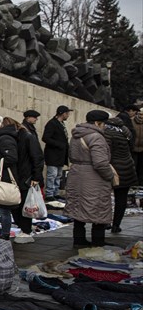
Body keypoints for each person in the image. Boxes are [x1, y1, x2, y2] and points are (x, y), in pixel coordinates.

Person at [66, 110, 116, 247]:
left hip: (76, 174)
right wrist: (110, 176)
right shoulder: (96, 137)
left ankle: (79, 241)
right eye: (104, 124)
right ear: (98, 123)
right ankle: (98, 241)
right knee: (99, 209)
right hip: (93, 178)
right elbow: (100, 163)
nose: (105, 127)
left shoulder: (76, 134)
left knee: (78, 210)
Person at [9, 117, 43, 243]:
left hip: (25, 176)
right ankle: (24, 228)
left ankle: (26, 230)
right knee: (18, 204)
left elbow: (37, 157)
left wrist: (36, 177)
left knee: (25, 204)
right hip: (20, 176)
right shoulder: (17, 137)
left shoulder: (27, 137)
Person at [103, 116, 137, 234]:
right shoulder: (125, 131)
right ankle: (116, 225)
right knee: (121, 198)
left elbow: (106, 152)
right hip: (127, 167)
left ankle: (105, 222)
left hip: (113, 169)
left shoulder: (107, 132)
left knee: (105, 196)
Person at [42, 105, 72, 200]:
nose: (68, 115)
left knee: (58, 175)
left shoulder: (61, 124)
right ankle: (49, 194)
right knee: (52, 175)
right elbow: (45, 138)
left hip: (60, 155)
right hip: (53, 154)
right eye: (67, 113)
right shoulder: (52, 123)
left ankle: (55, 192)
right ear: (63, 113)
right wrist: (59, 144)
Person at [132, 108, 143, 183]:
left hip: (142, 149)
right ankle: (134, 182)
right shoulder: (131, 121)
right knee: (133, 166)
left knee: (141, 167)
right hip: (133, 148)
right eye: (140, 114)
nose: (141, 116)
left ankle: (140, 182)